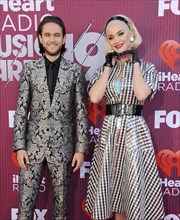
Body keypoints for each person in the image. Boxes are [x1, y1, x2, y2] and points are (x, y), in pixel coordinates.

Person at [85, 14, 164, 220]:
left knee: (133, 188)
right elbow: (94, 97)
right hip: (110, 132)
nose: (116, 40)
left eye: (120, 33)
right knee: (112, 190)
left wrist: (135, 63)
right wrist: (108, 67)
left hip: (134, 132)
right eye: (111, 37)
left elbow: (141, 94)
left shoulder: (147, 68)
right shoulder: (105, 69)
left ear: (131, 34)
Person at [13, 15, 88, 220]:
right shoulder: (29, 69)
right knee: (25, 208)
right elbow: (21, 109)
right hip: (31, 147)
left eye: (56, 35)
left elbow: (81, 112)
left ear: (64, 39)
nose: (52, 39)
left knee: (61, 208)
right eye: (47, 35)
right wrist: (19, 146)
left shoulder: (74, 71)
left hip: (63, 148)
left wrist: (80, 149)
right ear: (39, 38)